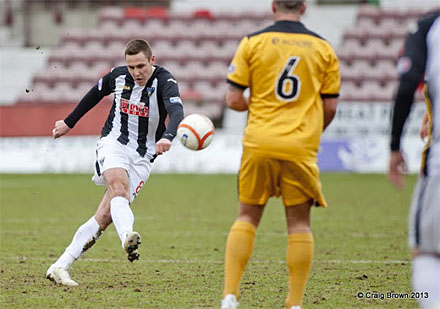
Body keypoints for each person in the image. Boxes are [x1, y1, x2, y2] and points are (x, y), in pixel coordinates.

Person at [220, 1, 340, 308]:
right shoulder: (323, 48)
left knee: (247, 216)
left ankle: (230, 296)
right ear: (303, 7)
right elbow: (330, 106)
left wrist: (259, 109)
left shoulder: (253, 42)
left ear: (273, 6)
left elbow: (233, 99)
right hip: (300, 145)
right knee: (299, 224)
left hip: (259, 141)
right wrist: (311, 130)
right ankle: (295, 303)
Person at [46, 39, 184, 286]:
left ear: (152, 60)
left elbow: (176, 112)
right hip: (114, 143)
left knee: (106, 215)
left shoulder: (165, 81)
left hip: (143, 157)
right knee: (118, 187)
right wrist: (69, 122)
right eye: (131, 67)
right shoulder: (118, 77)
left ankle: (59, 266)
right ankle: (127, 238)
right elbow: (93, 95)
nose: (136, 72)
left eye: (141, 65)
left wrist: (168, 136)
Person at [388, 9, 440, 309]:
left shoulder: (428, 26)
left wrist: (394, 146)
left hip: (437, 166)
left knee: (427, 251)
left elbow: (408, 84)